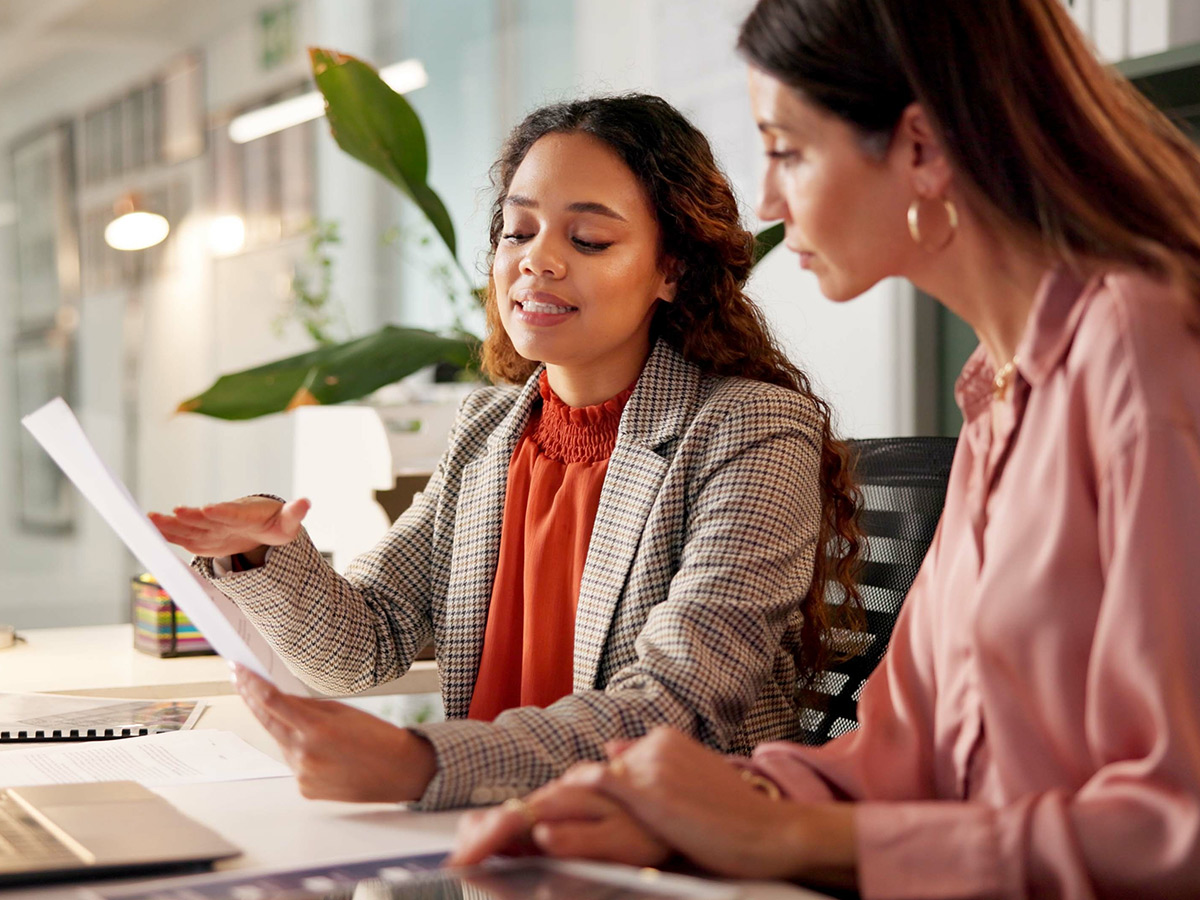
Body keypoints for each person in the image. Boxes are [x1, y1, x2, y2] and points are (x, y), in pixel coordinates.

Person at [450, 1, 1200, 896]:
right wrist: (704, 803)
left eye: (787, 149)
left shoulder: (1141, 351)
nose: (765, 201)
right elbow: (901, 750)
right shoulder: (1001, 393)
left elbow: (1176, 827)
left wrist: (791, 840)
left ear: (920, 149)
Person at [150, 93, 861, 812]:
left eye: (588, 240)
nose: (537, 261)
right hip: (494, 844)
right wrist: (262, 551)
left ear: (671, 269)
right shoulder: (488, 430)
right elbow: (367, 643)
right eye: (518, 231)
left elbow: (676, 704)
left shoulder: (750, 427)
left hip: (665, 853)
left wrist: (418, 764)